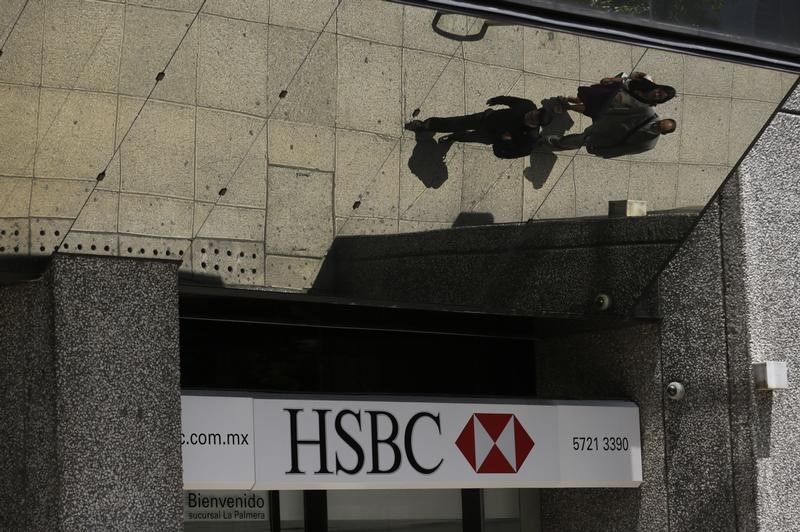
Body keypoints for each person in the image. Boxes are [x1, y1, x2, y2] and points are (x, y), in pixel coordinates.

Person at [405, 96, 552, 159]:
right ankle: (425, 126)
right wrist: (497, 100)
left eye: (534, 118)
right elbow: (511, 100)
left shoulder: (530, 139)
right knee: (456, 122)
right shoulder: (528, 105)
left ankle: (453, 137)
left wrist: (504, 141)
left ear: (537, 126)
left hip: (490, 137)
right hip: (486, 119)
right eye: (535, 112)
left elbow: (506, 154)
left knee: (466, 137)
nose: (531, 114)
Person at [547, 114, 677, 158]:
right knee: (583, 136)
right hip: (605, 127)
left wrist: (605, 153)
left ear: (663, 133)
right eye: (659, 123)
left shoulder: (648, 143)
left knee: (582, 139)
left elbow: (625, 150)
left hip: (607, 141)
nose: (656, 125)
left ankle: (559, 143)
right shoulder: (648, 114)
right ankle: (563, 143)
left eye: (659, 128)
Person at [558, 72, 676, 117]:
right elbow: (628, 80)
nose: (657, 94)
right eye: (659, 91)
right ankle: (572, 99)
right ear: (659, 87)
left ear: (660, 100)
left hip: (611, 105)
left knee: (588, 109)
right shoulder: (647, 81)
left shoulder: (647, 106)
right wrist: (611, 79)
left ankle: (567, 107)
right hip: (611, 91)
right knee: (588, 95)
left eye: (660, 96)